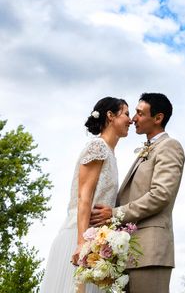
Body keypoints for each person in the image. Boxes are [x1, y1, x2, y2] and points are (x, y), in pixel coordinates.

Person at [91, 92, 185, 293]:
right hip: (129, 254)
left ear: (158, 118)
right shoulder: (148, 149)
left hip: (150, 253)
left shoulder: (169, 147)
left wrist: (114, 214)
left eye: (140, 113)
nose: (134, 118)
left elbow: (160, 195)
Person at [40, 97, 131, 293]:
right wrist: (81, 244)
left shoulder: (110, 154)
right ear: (110, 116)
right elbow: (84, 197)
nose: (130, 120)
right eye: (126, 114)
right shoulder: (97, 147)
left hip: (99, 242)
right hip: (80, 236)